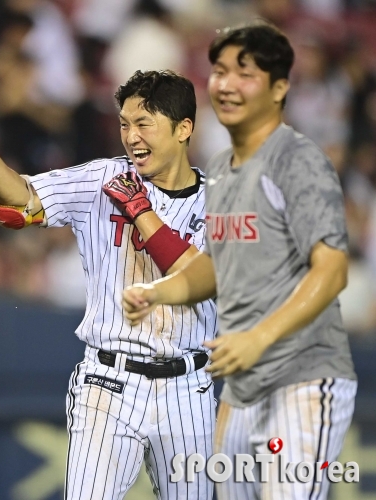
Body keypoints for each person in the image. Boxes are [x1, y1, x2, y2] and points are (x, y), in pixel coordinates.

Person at [0, 70, 217, 500]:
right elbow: (21, 203)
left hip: (188, 386)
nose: (131, 136)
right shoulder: (104, 178)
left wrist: (141, 211)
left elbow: (200, 277)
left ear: (184, 128)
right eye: (124, 123)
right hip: (109, 384)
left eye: (144, 123)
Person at [122, 22, 357, 500]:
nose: (226, 83)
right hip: (242, 384)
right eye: (220, 71)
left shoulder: (297, 160)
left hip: (302, 379)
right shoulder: (224, 173)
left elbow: (331, 270)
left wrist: (258, 338)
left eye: (244, 73)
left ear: (279, 88)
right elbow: (216, 271)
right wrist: (158, 292)